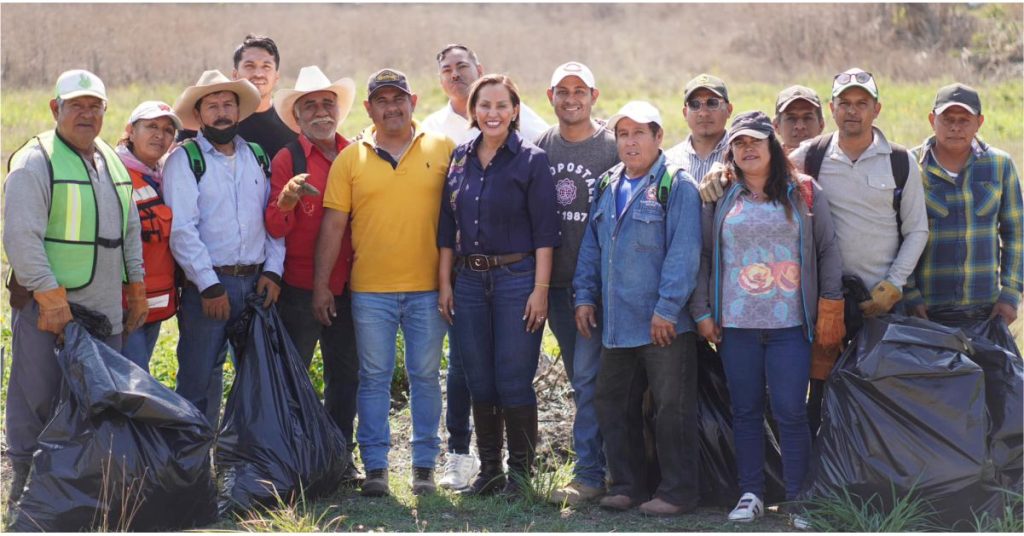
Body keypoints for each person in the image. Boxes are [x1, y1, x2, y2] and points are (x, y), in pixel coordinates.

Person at [689, 111, 844, 523]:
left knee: (791, 410)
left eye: (756, 141)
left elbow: (827, 250)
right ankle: (751, 493)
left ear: (772, 145)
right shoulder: (720, 195)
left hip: (791, 325)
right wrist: (702, 310)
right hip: (736, 324)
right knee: (745, 410)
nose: (748, 149)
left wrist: (831, 305)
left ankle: (797, 499)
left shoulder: (804, 191)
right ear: (731, 151)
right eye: (739, 143)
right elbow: (703, 254)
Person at [3, 69, 146, 505]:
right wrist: (49, 298)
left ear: (105, 112)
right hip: (51, 310)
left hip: (104, 311)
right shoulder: (35, 161)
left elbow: (130, 227)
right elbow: (21, 239)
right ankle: (26, 490)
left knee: (97, 402)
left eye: (94, 106)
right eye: (76, 106)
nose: (86, 114)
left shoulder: (110, 157)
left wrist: (136, 287)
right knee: (38, 396)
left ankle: (83, 488)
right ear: (55, 109)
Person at [315, 68, 454, 497]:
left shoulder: (443, 149)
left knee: (426, 376)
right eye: (382, 100)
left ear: (413, 100)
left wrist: (451, 282)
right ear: (369, 108)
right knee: (373, 376)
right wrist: (322, 285)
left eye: (398, 99)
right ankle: (376, 467)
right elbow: (334, 228)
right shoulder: (350, 158)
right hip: (370, 290)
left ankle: (424, 467)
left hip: (428, 289)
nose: (391, 107)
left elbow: (457, 223)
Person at [420, 43, 549, 492]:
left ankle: (520, 473)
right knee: (479, 377)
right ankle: (489, 469)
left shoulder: (532, 159)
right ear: (472, 110)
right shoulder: (460, 157)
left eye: (501, 105)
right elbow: (446, 226)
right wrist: (445, 285)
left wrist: (541, 289)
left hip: (517, 279)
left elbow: (545, 233)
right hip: (469, 281)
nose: (492, 113)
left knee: (514, 379)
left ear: (515, 111)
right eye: (484, 105)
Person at [573, 101, 702, 516]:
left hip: (663, 325)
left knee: (671, 409)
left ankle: (678, 491)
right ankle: (627, 484)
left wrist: (667, 309)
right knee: (613, 402)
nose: (630, 142)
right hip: (617, 323)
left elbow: (684, 253)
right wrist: (584, 295)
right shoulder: (608, 183)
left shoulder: (676, 185)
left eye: (639, 133)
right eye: (623, 134)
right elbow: (591, 246)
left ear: (658, 137)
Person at [163, 70, 285, 427]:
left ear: (239, 111)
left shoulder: (258, 157)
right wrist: (209, 285)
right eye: (212, 105)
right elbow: (183, 230)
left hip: (256, 283)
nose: (221, 112)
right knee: (199, 379)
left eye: (228, 104)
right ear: (198, 115)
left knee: (255, 378)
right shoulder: (185, 160)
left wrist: (274, 270)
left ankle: (247, 461)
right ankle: (195, 466)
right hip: (209, 287)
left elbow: (273, 218)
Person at [264, 65, 363, 484]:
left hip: (350, 286)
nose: (321, 112)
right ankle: (295, 458)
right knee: (295, 376)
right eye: (311, 106)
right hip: (301, 288)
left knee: (346, 375)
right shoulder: (290, 158)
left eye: (327, 104)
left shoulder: (355, 153)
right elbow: (273, 225)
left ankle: (341, 458)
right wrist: (286, 201)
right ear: (298, 117)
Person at [534, 61, 619, 506]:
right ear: (550, 97)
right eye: (562, 91)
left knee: (590, 379)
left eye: (579, 90)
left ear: (594, 95)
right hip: (556, 286)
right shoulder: (540, 148)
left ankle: (591, 475)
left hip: (600, 288)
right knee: (581, 377)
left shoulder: (612, 147)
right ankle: (604, 468)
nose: (571, 98)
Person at [905, 83, 1022, 326]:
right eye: (947, 119)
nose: (955, 127)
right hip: (925, 309)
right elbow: (895, 235)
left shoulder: (1000, 165)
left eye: (964, 120)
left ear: (979, 122)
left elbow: (1016, 233)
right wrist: (909, 294)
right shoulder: (909, 165)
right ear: (931, 120)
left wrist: (1010, 294)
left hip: (985, 310)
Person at [115, 101, 182, 371]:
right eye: (151, 126)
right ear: (131, 131)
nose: (160, 135)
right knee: (133, 387)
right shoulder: (115, 174)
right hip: (123, 306)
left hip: (155, 303)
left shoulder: (166, 175)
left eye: (167, 130)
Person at [179, 35, 297, 159]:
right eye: (249, 66)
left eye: (266, 67)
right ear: (235, 74)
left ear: (276, 77)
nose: (258, 74)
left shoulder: (292, 123)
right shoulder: (209, 120)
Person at [422, 43, 549, 145]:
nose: (455, 74)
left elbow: (547, 141)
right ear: (440, 80)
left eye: (462, 66)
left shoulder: (508, 111)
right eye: (447, 70)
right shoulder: (432, 127)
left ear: (479, 70)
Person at [665, 73, 733, 180]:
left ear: (729, 110)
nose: (703, 113)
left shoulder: (741, 155)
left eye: (712, 103)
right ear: (685, 113)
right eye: (694, 105)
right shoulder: (669, 161)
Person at [773, 85, 825, 154]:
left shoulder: (834, 162)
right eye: (791, 118)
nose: (800, 126)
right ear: (776, 126)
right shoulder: (766, 163)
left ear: (821, 125)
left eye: (807, 118)